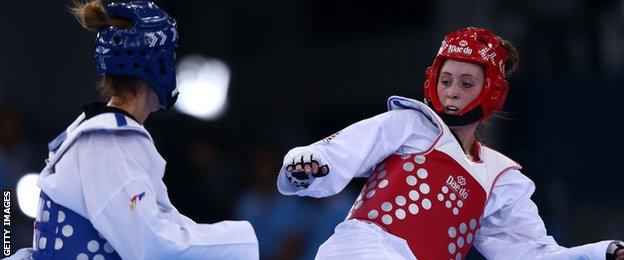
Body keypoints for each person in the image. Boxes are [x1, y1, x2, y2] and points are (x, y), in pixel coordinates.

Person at [276, 27, 624, 259]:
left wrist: (599, 252)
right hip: (363, 248)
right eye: (446, 80)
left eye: (467, 82)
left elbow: (532, 254)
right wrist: (306, 164)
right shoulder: (411, 124)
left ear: (491, 92)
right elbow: (339, 151)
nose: (453, 91)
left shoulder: (500, 178)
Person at [8, 1, 258, 259]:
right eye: (171, 54)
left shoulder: (99, 132)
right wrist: (243, 242)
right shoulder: (110, 144)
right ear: (156, 64)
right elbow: (154, 245)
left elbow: (162, 228)